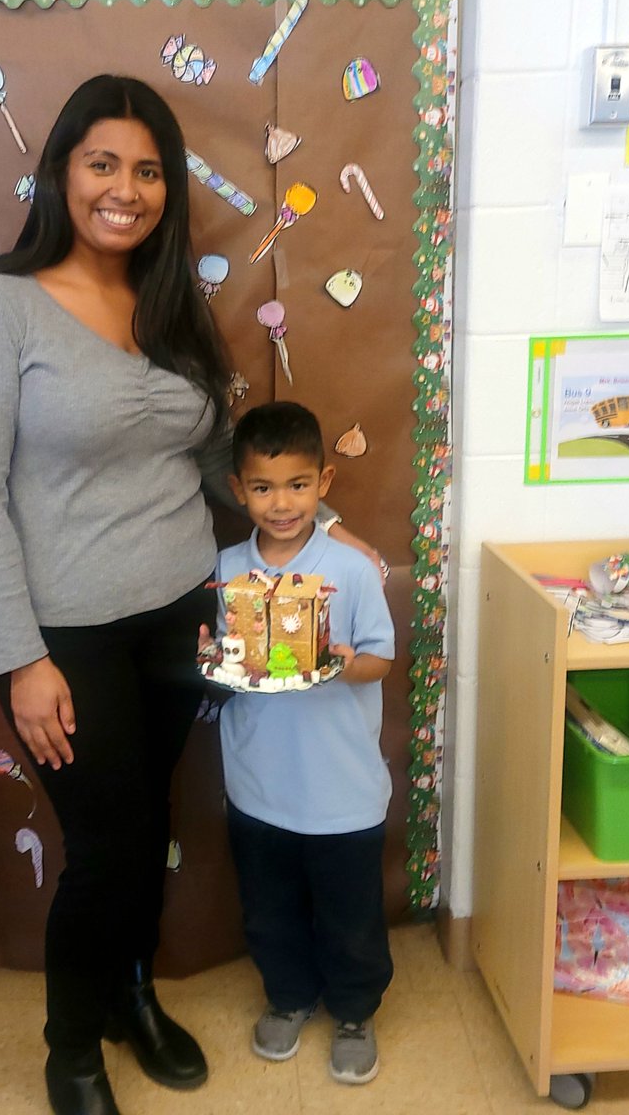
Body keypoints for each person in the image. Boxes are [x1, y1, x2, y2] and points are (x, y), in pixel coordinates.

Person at [0, 76, 374, 1115]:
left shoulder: (171, 301)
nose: (125, 190)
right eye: (102, 164)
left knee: (149, 818)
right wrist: (21, 657)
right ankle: (71, 1047)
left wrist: (315, 527)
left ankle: (133, 992)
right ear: (60, 173)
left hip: (184, 614)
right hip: (64, 635)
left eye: (147, 170)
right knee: (107, 846)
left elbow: (218, 451)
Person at [209, 401, 395, 1086]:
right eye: (263, 487)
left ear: (324, 483)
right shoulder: (228, 568)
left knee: (351, 915)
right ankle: (287, 997)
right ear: (238, 490)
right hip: (259, 786)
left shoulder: (349, 568)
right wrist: (216, 658)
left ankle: (354, 1011)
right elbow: (225, 667)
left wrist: (342, 660)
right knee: (270, 909)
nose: (281, 503)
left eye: (297, 485)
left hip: (343, 790)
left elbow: (381, 658)